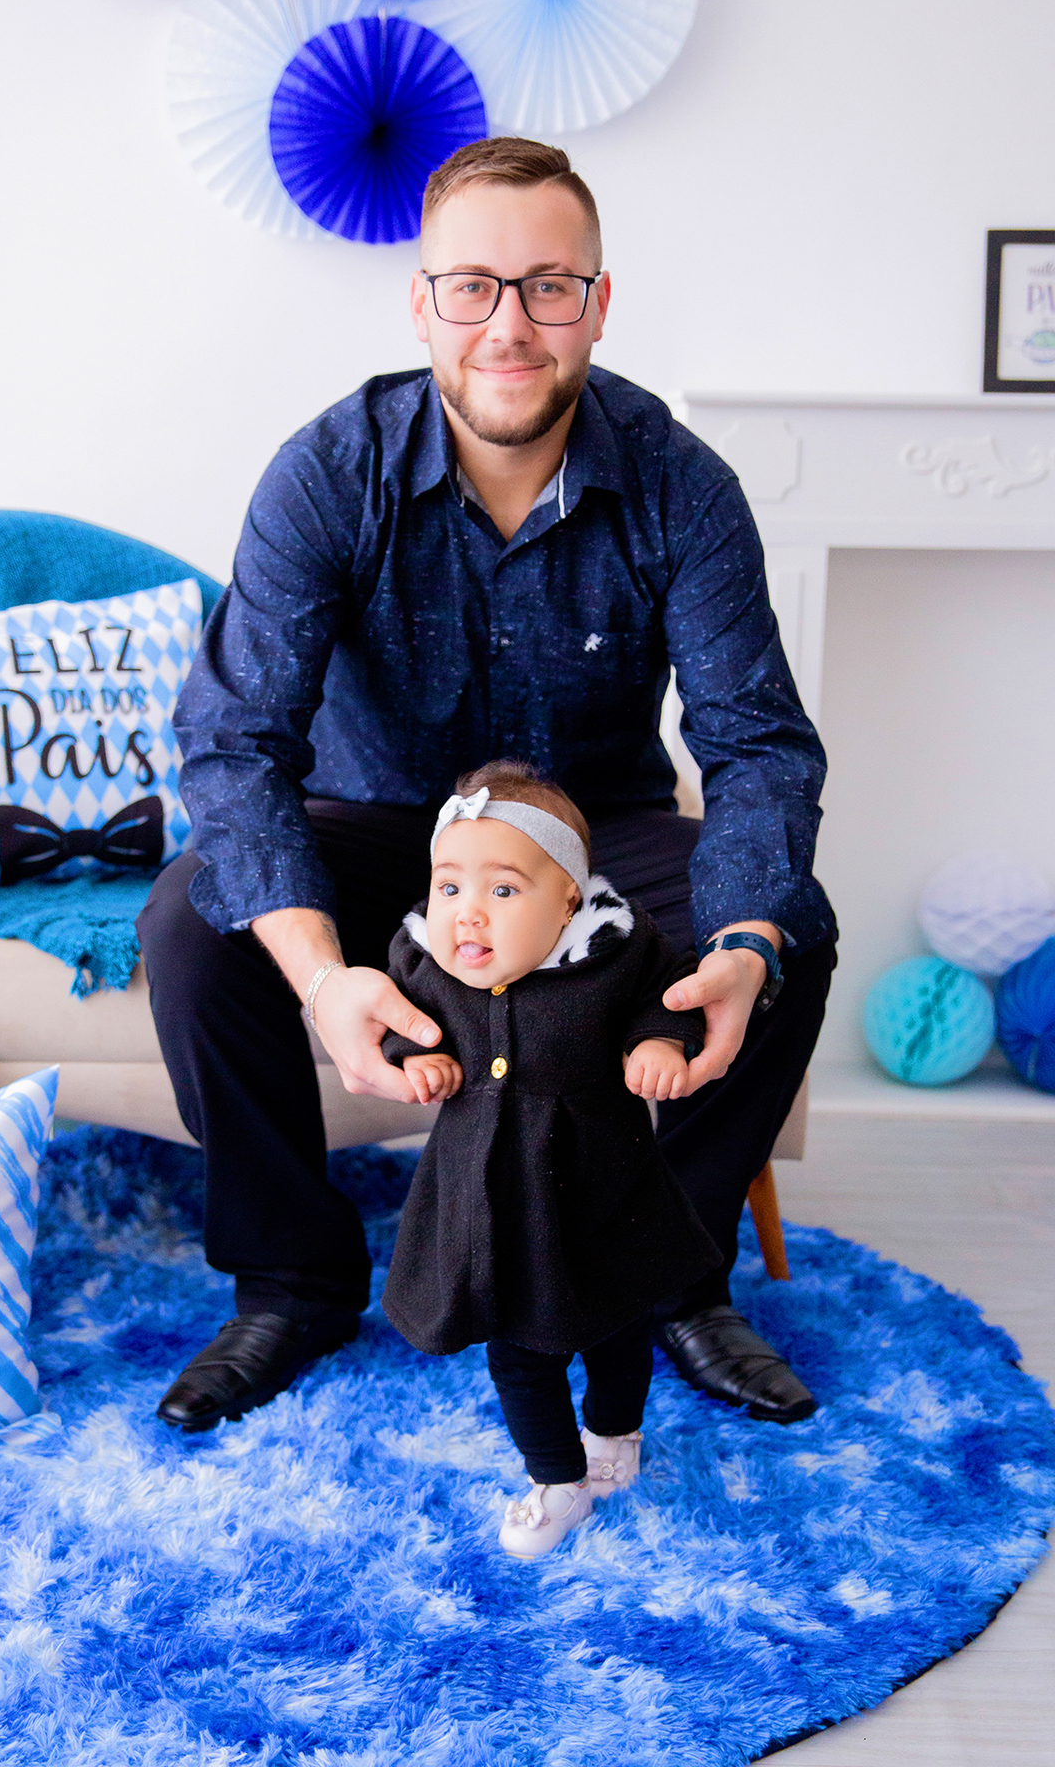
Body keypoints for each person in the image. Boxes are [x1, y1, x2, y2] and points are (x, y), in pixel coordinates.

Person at [137, 135, 837, 1436]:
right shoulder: (327, 471)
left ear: (599, 301)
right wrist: (322, 977)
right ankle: (293, 1282)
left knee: (792, 922)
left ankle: (671, 1272)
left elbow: (758, 746)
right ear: (423, 302)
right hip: (378, 822)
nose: (509, 326)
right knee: (192, 921)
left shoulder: (682, 485)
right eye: (473, 286)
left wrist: (743, 939)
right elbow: (236, 745)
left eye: (548, 286)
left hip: (596, 835)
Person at [378, 760, 721, 1560]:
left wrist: (659, 1046)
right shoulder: (426, 960)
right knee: (519, 1353)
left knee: (619, 1330)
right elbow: (403, 1018)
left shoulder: (616, 953)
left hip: (603, 1193)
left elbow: (659, 1004)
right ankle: (556, 1479)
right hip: (491, 1203)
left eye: (503, 891)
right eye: (450, 887)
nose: (468, 915)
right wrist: (411, 1055)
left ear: (569, 897)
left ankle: (615, 1433)